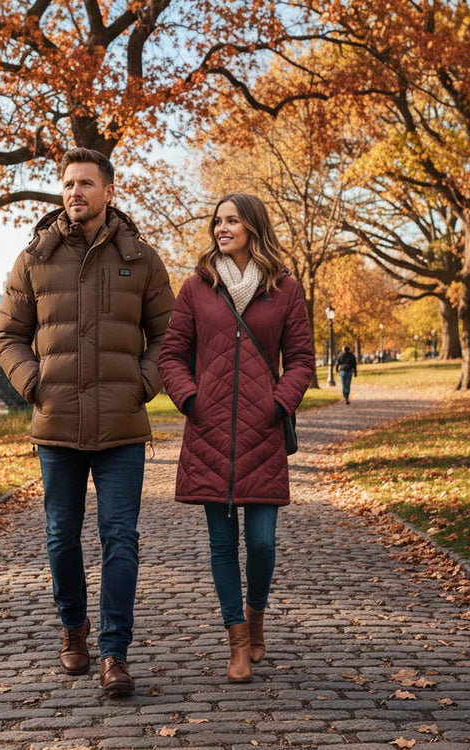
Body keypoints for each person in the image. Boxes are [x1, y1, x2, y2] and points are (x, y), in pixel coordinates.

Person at [0, 147, 174, 695]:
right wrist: (33, 383)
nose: (76, 192)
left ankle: (115, 653)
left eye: (87, 183)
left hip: (121, 427)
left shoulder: (142, 260)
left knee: (120, 537)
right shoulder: (34, 260)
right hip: (57, 425)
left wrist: (142, 385)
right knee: (59, 537)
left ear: (109, 191)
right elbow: (8, 336)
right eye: (68, 184)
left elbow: (169, 337)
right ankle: (74, 627)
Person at [158, 193, 315, 683]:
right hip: (210, 436)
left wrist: (277, 403)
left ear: (253, 226)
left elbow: (303, 361)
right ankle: (237, 642)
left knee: (263, 543)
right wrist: (191, 399)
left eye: (231, 221)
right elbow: (171, 356)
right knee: (222, 546)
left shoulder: (285, 289)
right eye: (217, 221)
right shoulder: (195, 289)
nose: (221, 228)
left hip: (263, 432)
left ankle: (257, 613)